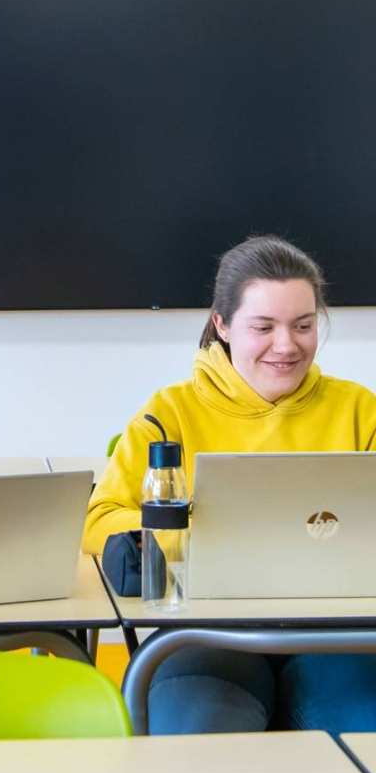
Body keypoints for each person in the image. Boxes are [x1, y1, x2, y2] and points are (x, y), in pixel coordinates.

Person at [84, 234, 376, 734]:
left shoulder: (358, 410)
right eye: (263, 327)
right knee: (198, 738)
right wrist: (203, 529)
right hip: (207, 638)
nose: (287, 345)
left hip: (341, 638)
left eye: (303, 326)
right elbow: (100, 521)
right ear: (222, 324)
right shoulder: (169, 412)